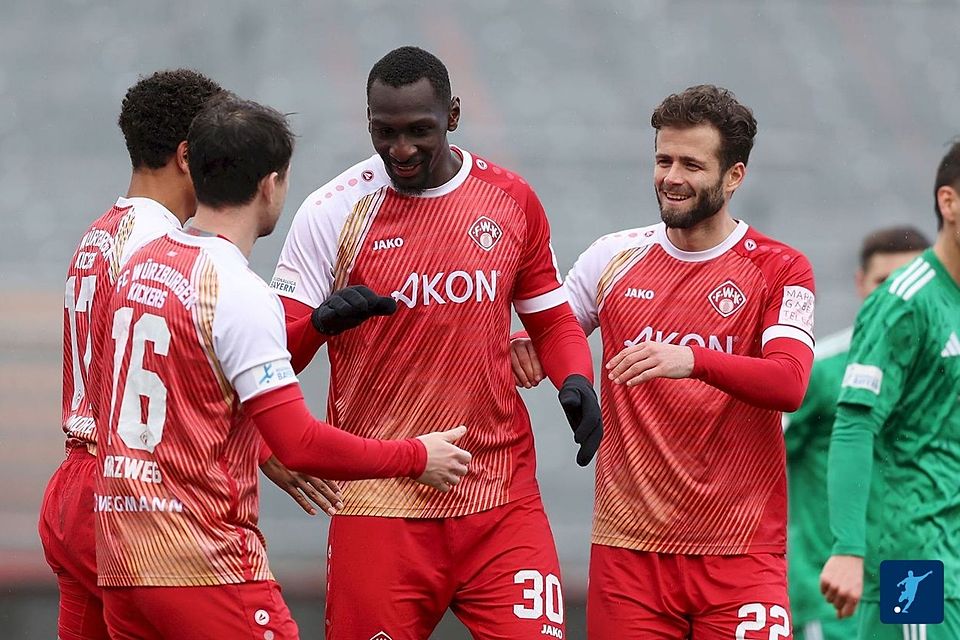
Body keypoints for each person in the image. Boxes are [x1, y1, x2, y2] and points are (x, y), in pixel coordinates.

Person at [90, 94, 471, 640]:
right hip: (204, 565)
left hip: (122, 559)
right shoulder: (238, 291)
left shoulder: (139, 264)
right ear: (271, 185)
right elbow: (299, 445)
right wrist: (416, 456)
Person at [270, 46, 601, 639]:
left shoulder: (511, 200)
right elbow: (273, 363)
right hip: (381, 502)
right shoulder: (330, 212)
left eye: (419, 131)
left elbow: (552, 324)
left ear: (453, 114)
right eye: (385, 132)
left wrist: (575, 380)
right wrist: (318, 325)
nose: (401, 150)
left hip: (499, 493)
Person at [511, 84, 816, 638]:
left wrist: (692, 360)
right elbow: (551, 337)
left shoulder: (780, 268)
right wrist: (522, 354)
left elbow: (790, 383)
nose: (672, 176)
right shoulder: (612, 256)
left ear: (734, 176)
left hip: (741, 552)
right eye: (663, 159)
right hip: (630, 554)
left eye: (692, 164)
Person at [820, 142, 960, 639]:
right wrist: (848, 548)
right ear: (949, 202)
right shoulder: (905, 302)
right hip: (913, 562)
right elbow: (856, 426)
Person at [784, 226, 928, 640]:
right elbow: (753, 463)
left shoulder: (943, 371)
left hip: (917, 581)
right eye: (885, 282)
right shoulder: (821, 372)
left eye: (911, 282)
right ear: (861, 283)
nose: (898, 296)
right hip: (835, 592)